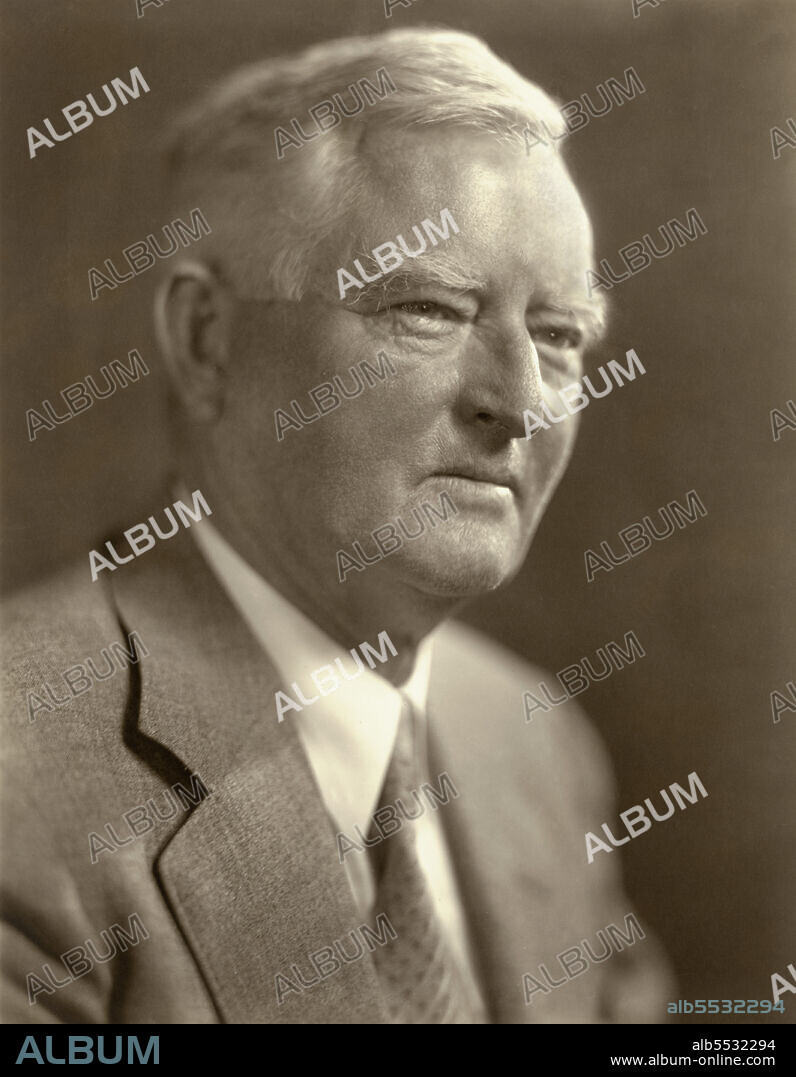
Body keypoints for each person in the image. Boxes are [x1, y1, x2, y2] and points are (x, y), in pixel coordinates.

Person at [1, 27, 672, 1024]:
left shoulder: (533, 743)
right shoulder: (19, 772)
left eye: (560, 336)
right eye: (432, 310)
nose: (521, 401)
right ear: (207, 341)